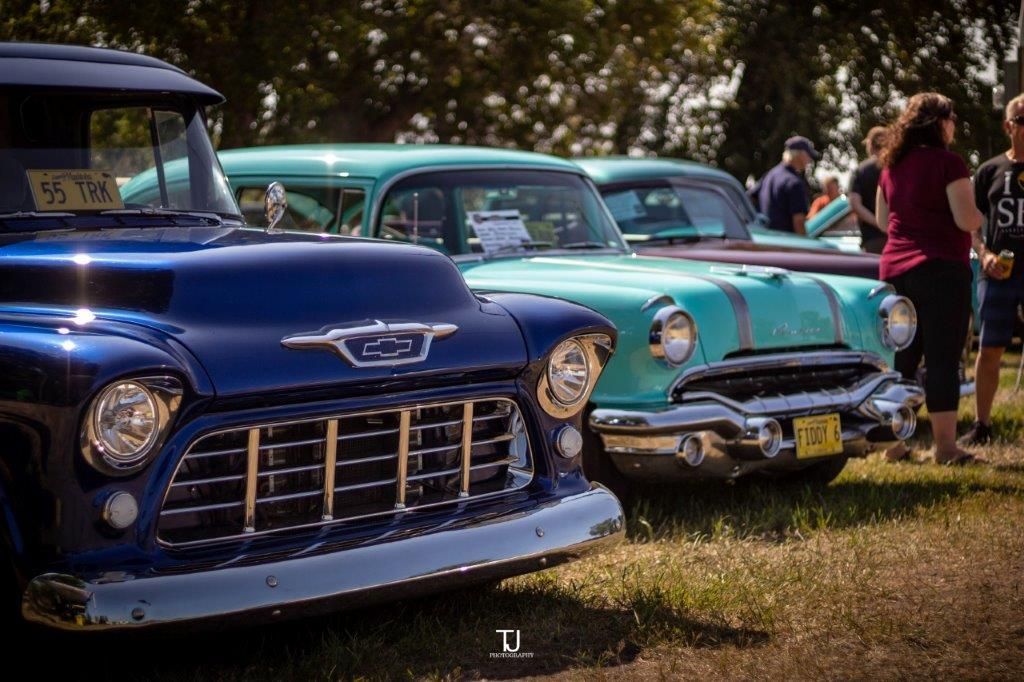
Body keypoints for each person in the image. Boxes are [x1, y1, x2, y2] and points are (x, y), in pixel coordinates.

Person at [875, 92, 983, 465]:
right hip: (940, 269)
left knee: (902, 360)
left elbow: (882, 220)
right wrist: (981, 215)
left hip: (895, 271)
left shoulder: (890, 165)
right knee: (942, 359)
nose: (954, 126)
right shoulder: (949, 164)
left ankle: (894, 445)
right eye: (952, 119)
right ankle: (946, 448)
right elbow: (966, 220)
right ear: (939, 123)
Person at [959, 94, 1024, 446]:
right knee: (991, 348)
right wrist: (983, 254)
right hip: (998, 272)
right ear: (1008, 126)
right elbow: (972, 224)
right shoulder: (989, 171)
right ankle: (982, 425)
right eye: (1022, 120)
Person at [748, 135, 821, 235]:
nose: (809, 160)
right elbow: (799, 221)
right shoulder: (794, 183)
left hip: (764, 238)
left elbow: (749, 198)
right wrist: (805, 242)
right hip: (785, 240)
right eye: (808, 155)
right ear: (800, 155)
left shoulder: (770, 175)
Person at [848, 126, 888, 254]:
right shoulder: (895, 167)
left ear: (870, 145)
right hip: (897, 239)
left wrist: (878, 223)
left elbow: (855, 204)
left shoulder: (861, 170)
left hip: (872, 240)